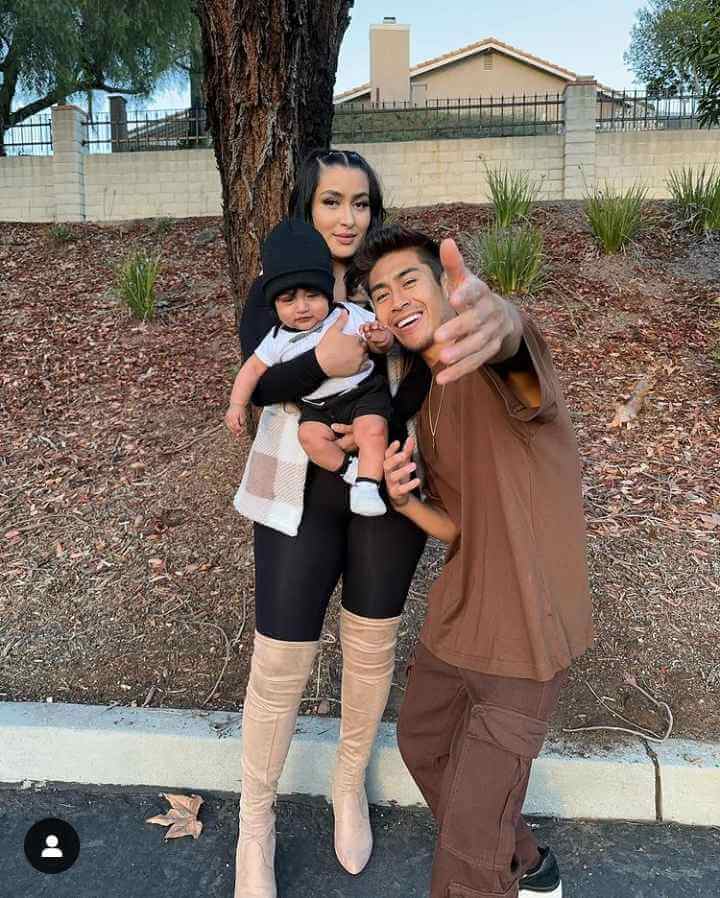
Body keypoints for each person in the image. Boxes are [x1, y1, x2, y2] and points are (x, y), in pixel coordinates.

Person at [353, 224, 595, 898]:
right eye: (380, 292)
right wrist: (405, 502)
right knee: (423, 745)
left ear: (444, 287)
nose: (395, 298)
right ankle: (529, 863)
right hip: (458, 623)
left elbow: (518, 355)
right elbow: (456, 524)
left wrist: (506, 324)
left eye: (409, 280)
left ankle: (493, 864)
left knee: (467, 845)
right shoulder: (427, 400)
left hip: (523, 637)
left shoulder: (491, 365)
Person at [229, 149, 430, 898]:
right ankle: (257, 826)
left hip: (382, 485)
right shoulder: (278, 286)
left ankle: (348, 784)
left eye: (362, 203)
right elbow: (260, 379)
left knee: (371, 643)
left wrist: (368, 431)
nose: (349, 218)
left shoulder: (390, 276)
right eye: (332, 203)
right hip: (297, 490)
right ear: (306, 209)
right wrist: (320, 380)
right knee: (280, 658)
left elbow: (424, 368)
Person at [226, 218, 395, 517]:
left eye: (312, 296)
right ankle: (351, 470)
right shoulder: (276, 338)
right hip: (318, 407)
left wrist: (381, 339)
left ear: (327, 293)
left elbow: (378, 339)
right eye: (289, 300)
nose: (302, 307)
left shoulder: (344, 314)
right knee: (309, 438)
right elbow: (252, 370)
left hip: (362, 392)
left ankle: (368, 486)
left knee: (373, 429)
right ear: (275, 305)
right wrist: (236, 405)